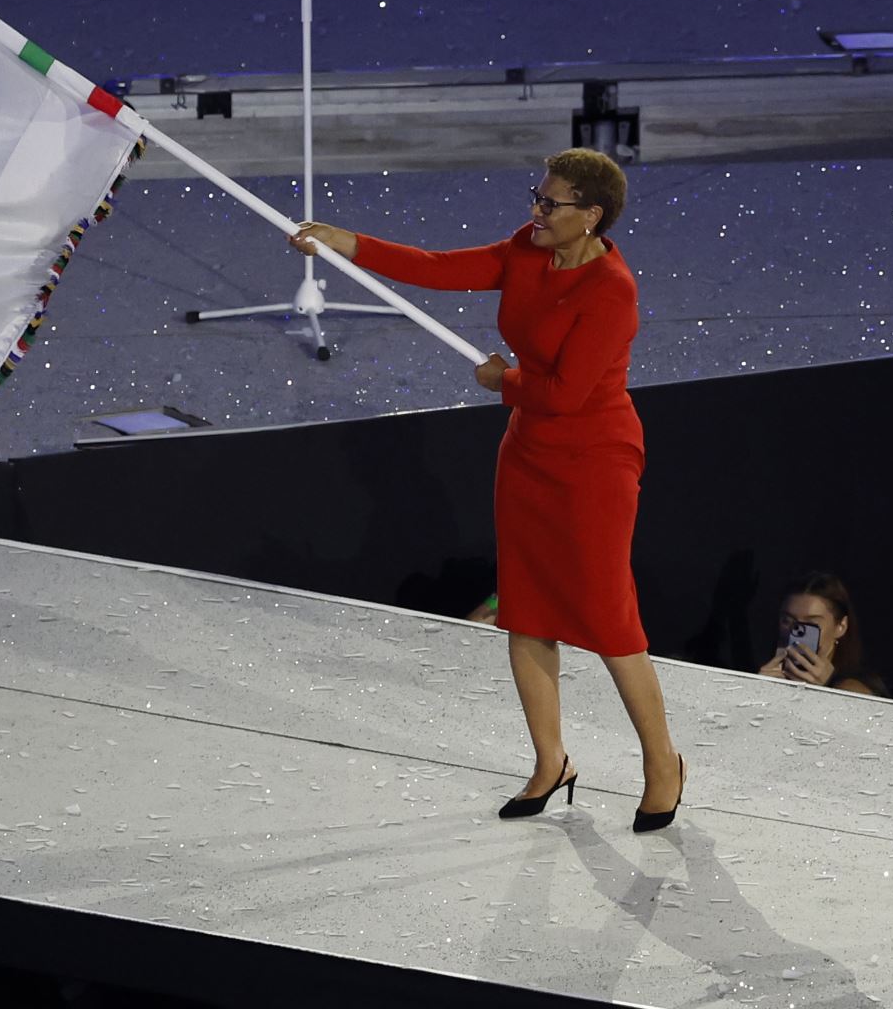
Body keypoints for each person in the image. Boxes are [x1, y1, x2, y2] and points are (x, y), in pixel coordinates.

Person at [290, 148, 684, 832]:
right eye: (538, 195)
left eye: (551, 202)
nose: (536, 210)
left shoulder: (611, 291)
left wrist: (503, 382)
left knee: (608, 617)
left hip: (594, 459)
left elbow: (565, 394)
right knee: (527, 609)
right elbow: (439, 268)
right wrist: (344, 242)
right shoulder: (526, 250)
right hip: (528, 453)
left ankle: (662, 766)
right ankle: (550, 762)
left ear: (591, 215)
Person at [757, 572, 879, 695]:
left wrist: (824, 690)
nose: (797, 632)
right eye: (787, 621)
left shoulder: (854, 688)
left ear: (841, 626)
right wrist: (758, 691)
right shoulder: (771, 673)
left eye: (812, 624)